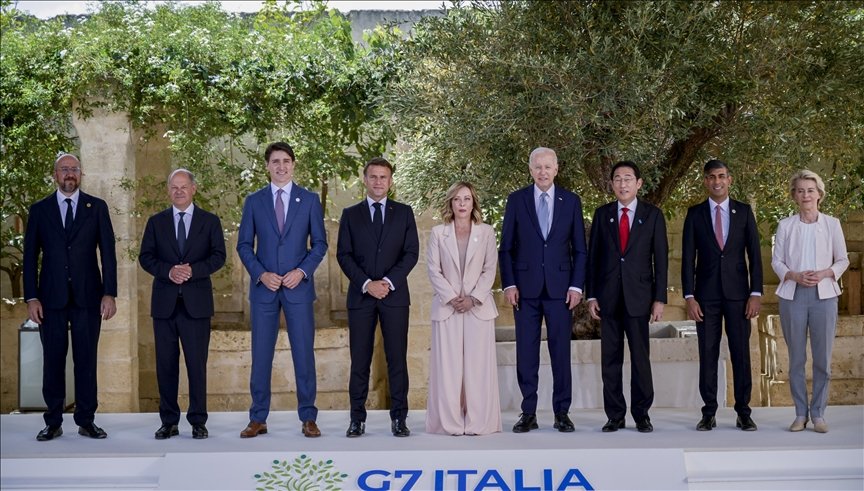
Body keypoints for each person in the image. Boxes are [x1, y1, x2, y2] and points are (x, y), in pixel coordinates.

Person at [236, 142, 327, 438]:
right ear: (267, 166)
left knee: (304, 354)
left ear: (294, 164)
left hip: (297, 289)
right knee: (261, 355)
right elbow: (244, 245)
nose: (281, 166)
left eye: (286, 161)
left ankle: (309, 417)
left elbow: (320, 244)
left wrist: (301, 272)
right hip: (264, 290)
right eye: (275, 161)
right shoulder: (254, 201)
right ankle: (258, 418)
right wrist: (261, 274)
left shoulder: (310, 200)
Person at [23, 153, 117, 441]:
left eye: (74, 169)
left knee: (86, 360)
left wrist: (109, 293)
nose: (69, 174)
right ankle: (52, 421)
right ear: (55, 175)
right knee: (52, 360)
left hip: (88, 298)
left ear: (81, 174)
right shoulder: (40, 210)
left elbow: (108, 254)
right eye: (64, 170)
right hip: (50, 300)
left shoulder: (97, 208)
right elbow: (29, 258)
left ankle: (86, 420)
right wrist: (31, 298)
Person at [499, 147, 588, 433]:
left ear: (556, 169)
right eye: (538, 167)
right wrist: (509, 283)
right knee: (527, 353)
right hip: (524, 291)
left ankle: (562, 412)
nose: (543, 172)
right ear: (530, 169)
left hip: (561, 291)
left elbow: (580, 250)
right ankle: (528, 413)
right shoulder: (516, 200)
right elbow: (506, 248)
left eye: (548, 167)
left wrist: (576, 285)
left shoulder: (571, 201)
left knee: (560, 352)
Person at [138, 169, 226, 440]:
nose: (178, 191)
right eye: (174, 187)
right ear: (168, 190)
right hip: (164, 305)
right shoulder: (156, 222)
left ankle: (198, 421)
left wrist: (192, 271)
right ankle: (169, 421)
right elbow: (146, 257)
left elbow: (218, 256)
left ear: (193, 189)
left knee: (196, 365)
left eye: (183, 186)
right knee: (165, 364)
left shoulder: (209, 221)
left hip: (196, 305)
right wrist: (168, 271)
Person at [336, 157, 419, 438]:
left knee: (397, 359)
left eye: (383, 177)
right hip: (361, 297)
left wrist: (386, 282)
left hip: (394, 296)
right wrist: (366, 283)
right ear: (365, 179)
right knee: (360, 359)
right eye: (373, 177)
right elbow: (343, 255)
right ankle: (357, 419)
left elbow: (411, 254)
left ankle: (399, 418)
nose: (378, 182)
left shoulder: (405, 213)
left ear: (391, 181)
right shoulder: (350, 214)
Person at [586, 161, 668, 433]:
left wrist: (659, 299)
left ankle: (642, 414)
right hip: (608, 299)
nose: (623, 184)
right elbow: (593, 259)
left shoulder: (653, 215)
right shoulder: (602, 215)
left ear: (639, 183)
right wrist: (591, 295)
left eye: (628, 179)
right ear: (612, 184)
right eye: (618, 179)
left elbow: (661, 260)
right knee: (610, 359)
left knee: (640, 359)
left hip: (639, 298)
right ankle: (615, 415)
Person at [682, 159, 763, 432]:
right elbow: (687, 260)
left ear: (729, 179)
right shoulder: (694, 214)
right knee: (708, 353)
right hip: (705, 298)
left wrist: (755, 292)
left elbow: (755, 255)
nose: (717, 181)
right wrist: (689, 297)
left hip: (739, 296)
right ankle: (709, 412)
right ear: (705, 181)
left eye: (721, 176)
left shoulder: (744, 212)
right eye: (711, 177)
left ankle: (743, 412)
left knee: (741, 353)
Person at [771, 170, 848, 434]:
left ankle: (818, 414)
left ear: (819, 194)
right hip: (793, 296)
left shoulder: (832, 224)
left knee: (822, 359)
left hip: (824, 297)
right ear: (794, 195)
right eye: (801, 190)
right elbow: (777, 261)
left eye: (810, 190)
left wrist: (826, 273)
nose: (806, 195)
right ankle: (800, 414)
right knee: (796, 359)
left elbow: (842, 260)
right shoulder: (785, 226)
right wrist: (793, 275)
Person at [426, 181, 502, 436]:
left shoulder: (487, 233)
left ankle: (478, 422)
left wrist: (472, 298)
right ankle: (450, 424)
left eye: (466, 199)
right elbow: (433, 270)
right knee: (448, 368)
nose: (461, 204)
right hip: (447, 309)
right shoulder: (438, 233)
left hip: (478, 309)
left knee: (477, 367)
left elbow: (490, 269)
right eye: (457, 199)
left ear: (473, 203)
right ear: (451, 202)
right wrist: (452, 297)